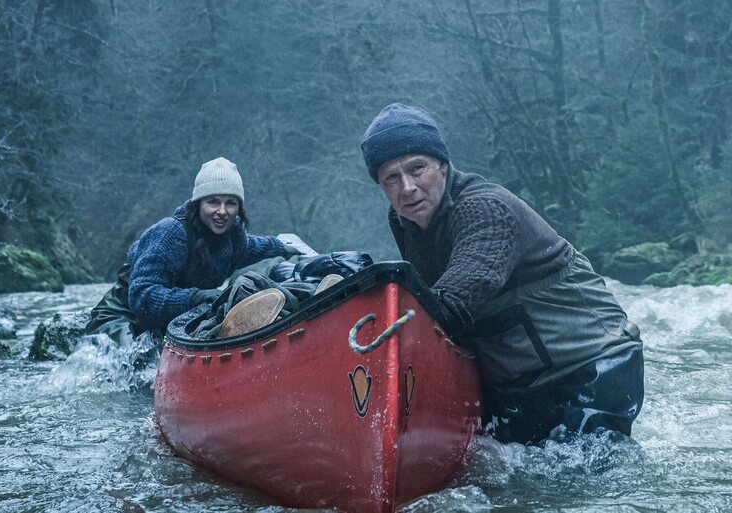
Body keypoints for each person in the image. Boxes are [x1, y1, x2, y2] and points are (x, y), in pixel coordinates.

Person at [360, 103, 645, 444]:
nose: (407, 187)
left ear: (443, 165)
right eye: (391, 178)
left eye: (417, 168)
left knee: (579, 483)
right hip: (521, 383)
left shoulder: (485, 210)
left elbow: (450, 308)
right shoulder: (405, 222)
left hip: (591, 366)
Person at [86, 157, 309, 344]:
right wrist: (199, 297)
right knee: (135, 365)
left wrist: (285, 247)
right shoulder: (170, 234)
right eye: (213, 202)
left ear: (239, 207)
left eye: (231, 203)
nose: (222, 211)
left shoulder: (234, 237)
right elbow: (143, 298)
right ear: (199, 204)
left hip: (172, 322)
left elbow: (256, 247)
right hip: (122, 318)